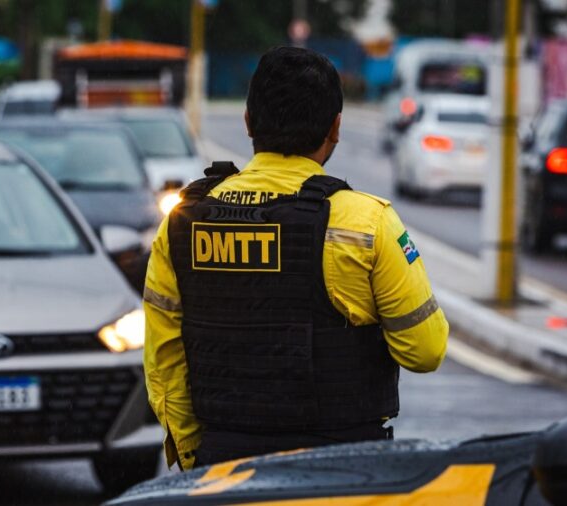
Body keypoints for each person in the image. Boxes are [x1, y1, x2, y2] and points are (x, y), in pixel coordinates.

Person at [143, 46, 449, 471]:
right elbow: (425, 350)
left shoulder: (182, 220)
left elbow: (164, 361)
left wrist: (199, 458)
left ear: (248, 121)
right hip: (343, 471)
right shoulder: (367, 222)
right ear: (336, 128)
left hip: (222, 468)